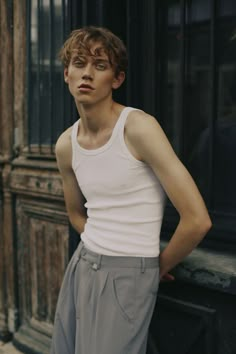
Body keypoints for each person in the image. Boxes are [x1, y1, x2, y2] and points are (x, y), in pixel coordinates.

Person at [50, 26, 212, 354]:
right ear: (67, 74)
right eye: (79, 63)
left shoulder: (138, 128)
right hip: (83, 264)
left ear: (117, 79)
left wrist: (152, 267)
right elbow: (75, 213)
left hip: (129, 271)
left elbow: (197, 219)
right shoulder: (66, 145)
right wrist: (98, 242)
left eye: (100, 65)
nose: (87, 74)